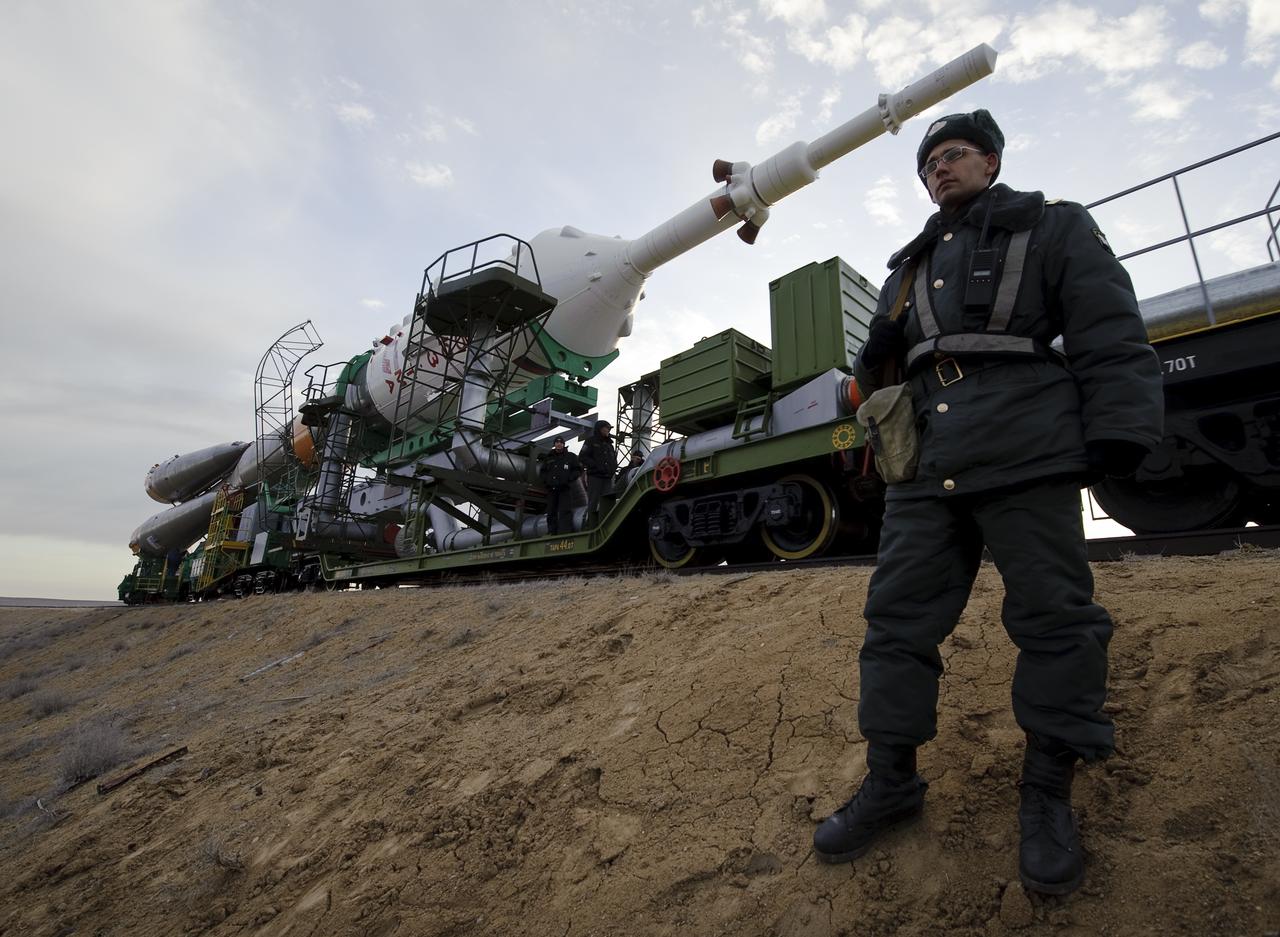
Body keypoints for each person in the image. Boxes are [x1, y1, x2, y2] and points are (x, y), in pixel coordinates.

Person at [812, 110, 1164, 896]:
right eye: (929, 162)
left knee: (1056, 620)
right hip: (926, 462)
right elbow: (880, 373)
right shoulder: (907, 266)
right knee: (896, 624)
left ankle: (1046, 794)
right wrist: (874, 374)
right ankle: (891, 781)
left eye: (955, 154)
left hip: (1027, 444)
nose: (941, 168)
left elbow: (1109, 325)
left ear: (991, 160)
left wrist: (1118, 429)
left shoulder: (1051, 224)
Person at [537, 436, 581, 534]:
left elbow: (577, 470)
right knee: (551, 511)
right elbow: (543, 472)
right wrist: (547, 481)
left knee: (565, 510)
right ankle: (552, 531)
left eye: (561, 442)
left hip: (565, 489)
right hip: (552, 489)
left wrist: (569, 479)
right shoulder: (549, 457)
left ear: (564, 444)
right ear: (554, 444)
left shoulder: (571, 456)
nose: (559, 444)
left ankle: (564, 531)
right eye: (557, 442)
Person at [578, 420, 617, 528]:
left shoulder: (610, 444)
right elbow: (582, 457)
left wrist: (613, 468)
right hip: (595, 477)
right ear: (600, 428)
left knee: (608, 503)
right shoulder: (590, 441)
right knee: (593, 502)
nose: (608, 430)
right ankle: (590, 525)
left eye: (609, 428)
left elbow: (613, 459)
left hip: (607, 478)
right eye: (606, 428)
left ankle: (605, 525)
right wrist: (595, 465)